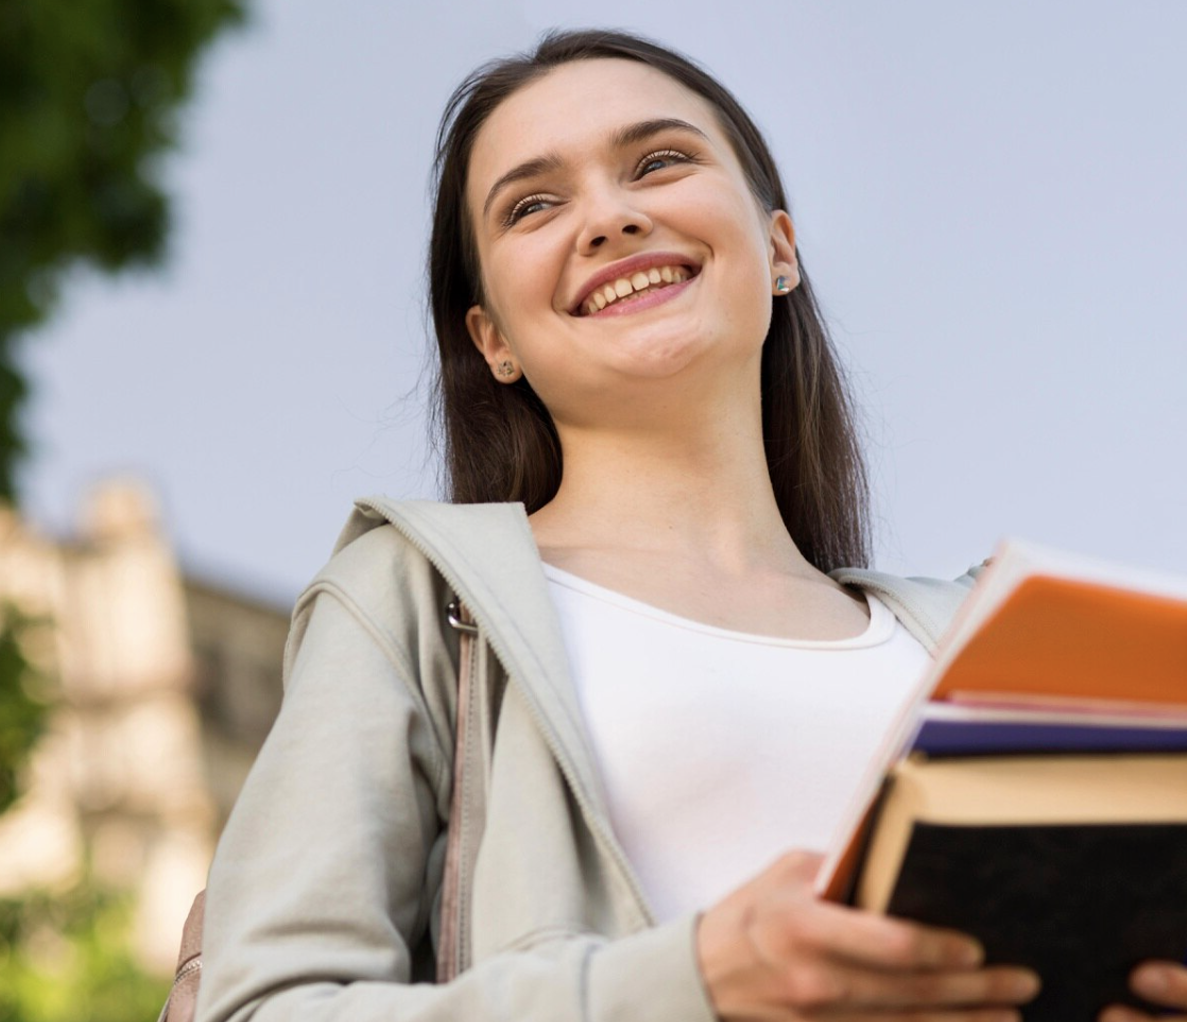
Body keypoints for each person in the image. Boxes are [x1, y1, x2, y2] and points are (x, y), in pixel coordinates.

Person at [192, 28, 1187, 1022]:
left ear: (778, 247)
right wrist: (695, 978)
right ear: (491, 339)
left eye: (659, 161)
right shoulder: (412, 599)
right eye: (532, 205)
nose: (609, 217)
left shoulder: (982, 633)